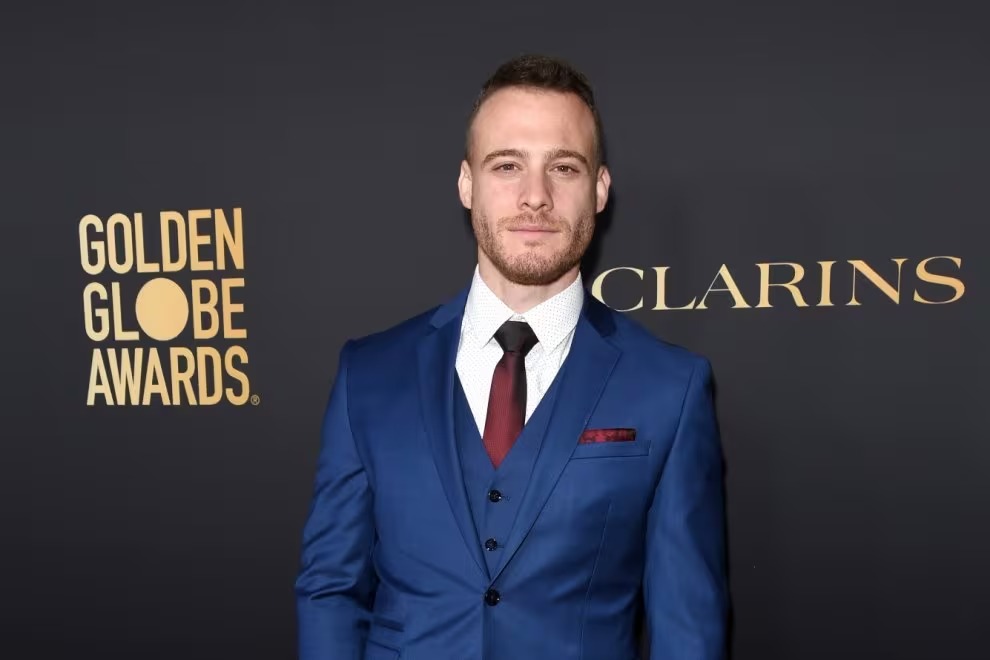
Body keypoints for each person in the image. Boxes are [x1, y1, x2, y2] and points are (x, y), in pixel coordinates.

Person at [295, 53, 728, 660]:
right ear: (467, 183)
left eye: (564, 167)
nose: (535, 197)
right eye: (507, 165)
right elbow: (331, 590)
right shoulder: (369, 374)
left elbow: (689, 626)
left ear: (600, 189)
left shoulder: (671, 387)